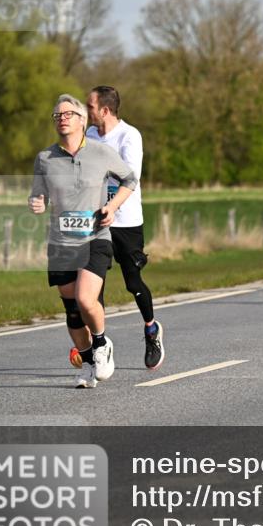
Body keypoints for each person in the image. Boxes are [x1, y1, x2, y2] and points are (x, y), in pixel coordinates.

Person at [29, 94, 138, 388]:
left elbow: (130, 180)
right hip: (61, 242)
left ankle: (102, 344)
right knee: (73, 311)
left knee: (85, 298)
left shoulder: (101, 153)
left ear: (82, 120)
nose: (61, 118)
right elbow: (38, 194)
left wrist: (112, 207)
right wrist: (37, 202)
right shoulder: (45, 158)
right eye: (57, 115)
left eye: (67, 113)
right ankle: (89, 362)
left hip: (95, 237)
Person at [85, 86, 165, 370]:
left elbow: (129, 178)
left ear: (104, 110)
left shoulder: (129, 136)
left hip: (126, 221)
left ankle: (151, 329)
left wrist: (112, 207)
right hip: (97, 222)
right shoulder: (90, 135)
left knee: (132, 282)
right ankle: (100, 346)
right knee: (96, 286)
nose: (86, 111)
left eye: (90, 106)